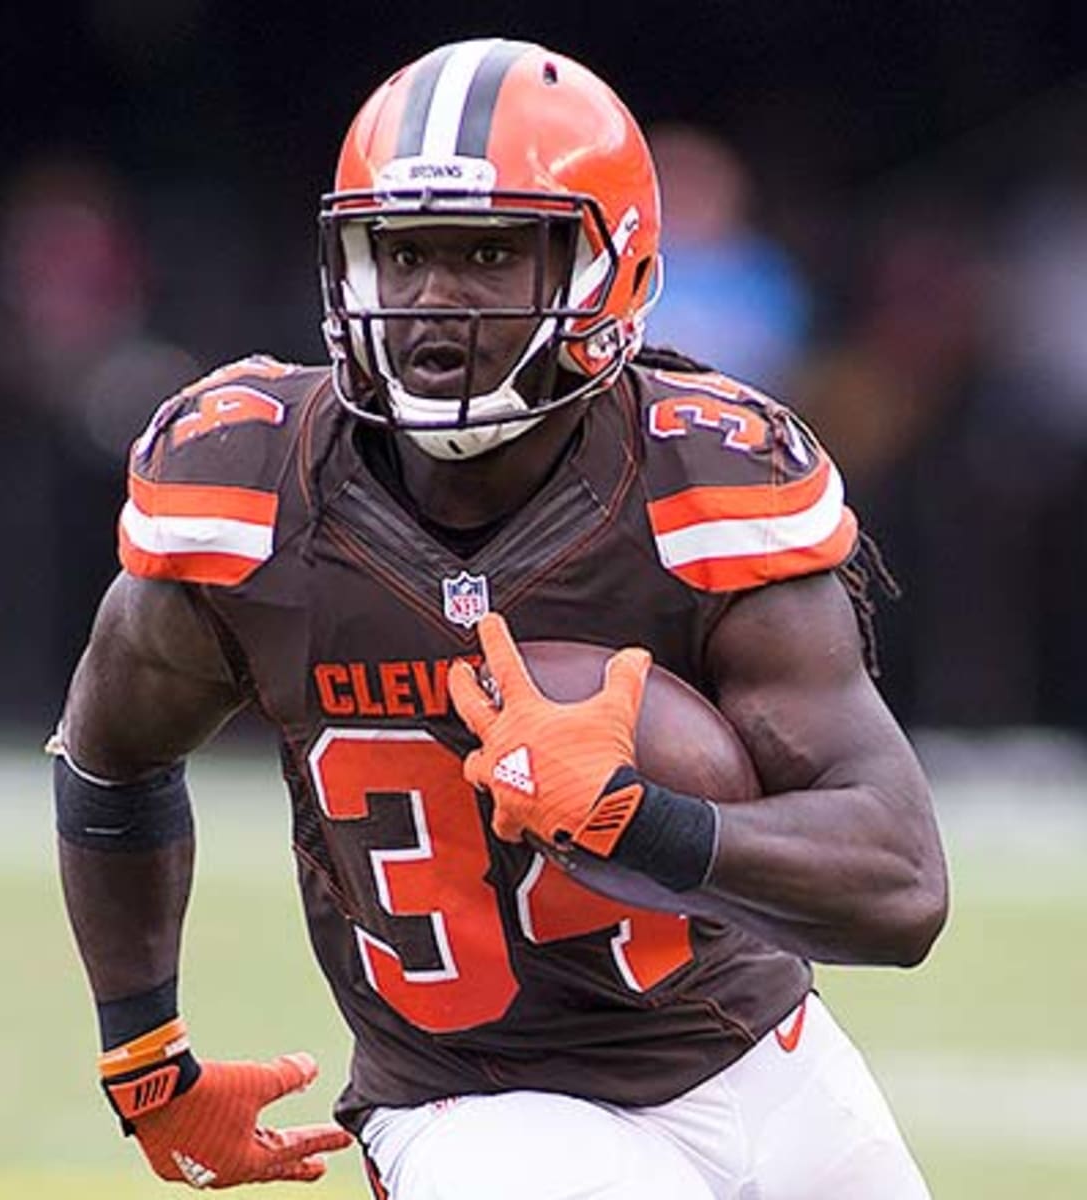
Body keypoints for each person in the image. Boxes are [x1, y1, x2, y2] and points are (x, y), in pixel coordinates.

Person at [52, 37, 949, 1198]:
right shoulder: (248, 492)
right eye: (403, 253)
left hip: (756, 1058)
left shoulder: (700, 489)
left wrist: (640, 824)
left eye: (489, 253)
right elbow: (110, 758)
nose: (435, 301)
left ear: (610, 263)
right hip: (473, 1105)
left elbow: (901, 884)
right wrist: (145, 1057)